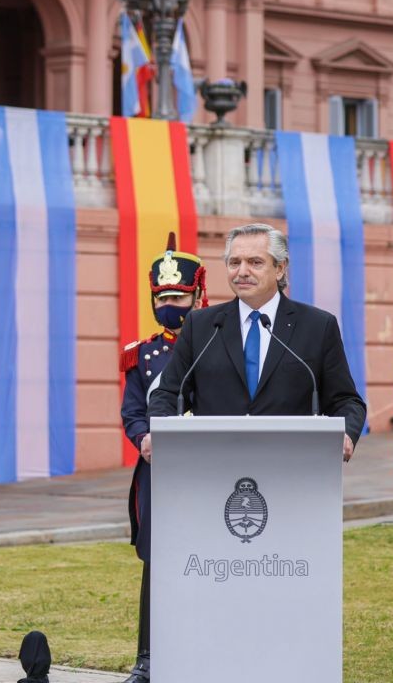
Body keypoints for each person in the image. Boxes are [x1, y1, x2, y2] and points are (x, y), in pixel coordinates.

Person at [147, 222, 366, 457]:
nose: (242, 271)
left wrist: (346, 434)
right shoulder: (200, 325)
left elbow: (345, 400)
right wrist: (158, 432)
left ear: (280, 268)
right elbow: (167, 393)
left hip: (292, 465)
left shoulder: (318, 326)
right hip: (214, 464)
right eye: (234, 262)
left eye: (255, 262)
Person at [118, 233, 207, 683]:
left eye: (178, 295)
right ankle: (148, 659)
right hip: (158, 470)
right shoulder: (141, 354)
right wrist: (143, 439)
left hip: (207, 471)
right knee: (157, 564)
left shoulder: (217, 342)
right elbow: (132, 410)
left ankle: (203, 651)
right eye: (163, 296)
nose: (170, 303)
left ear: (197, 295)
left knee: (210, 560)